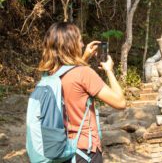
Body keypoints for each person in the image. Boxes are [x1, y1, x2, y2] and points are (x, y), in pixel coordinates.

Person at [38, 22, 126, 162]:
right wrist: (109, 70)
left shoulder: (48, 75)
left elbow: (70, 77)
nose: (82, 45)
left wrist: (84, 58)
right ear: (71, 45)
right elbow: (120, 102)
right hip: (85, 150)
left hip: (61, 148)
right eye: (79, 41)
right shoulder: (84, 73)